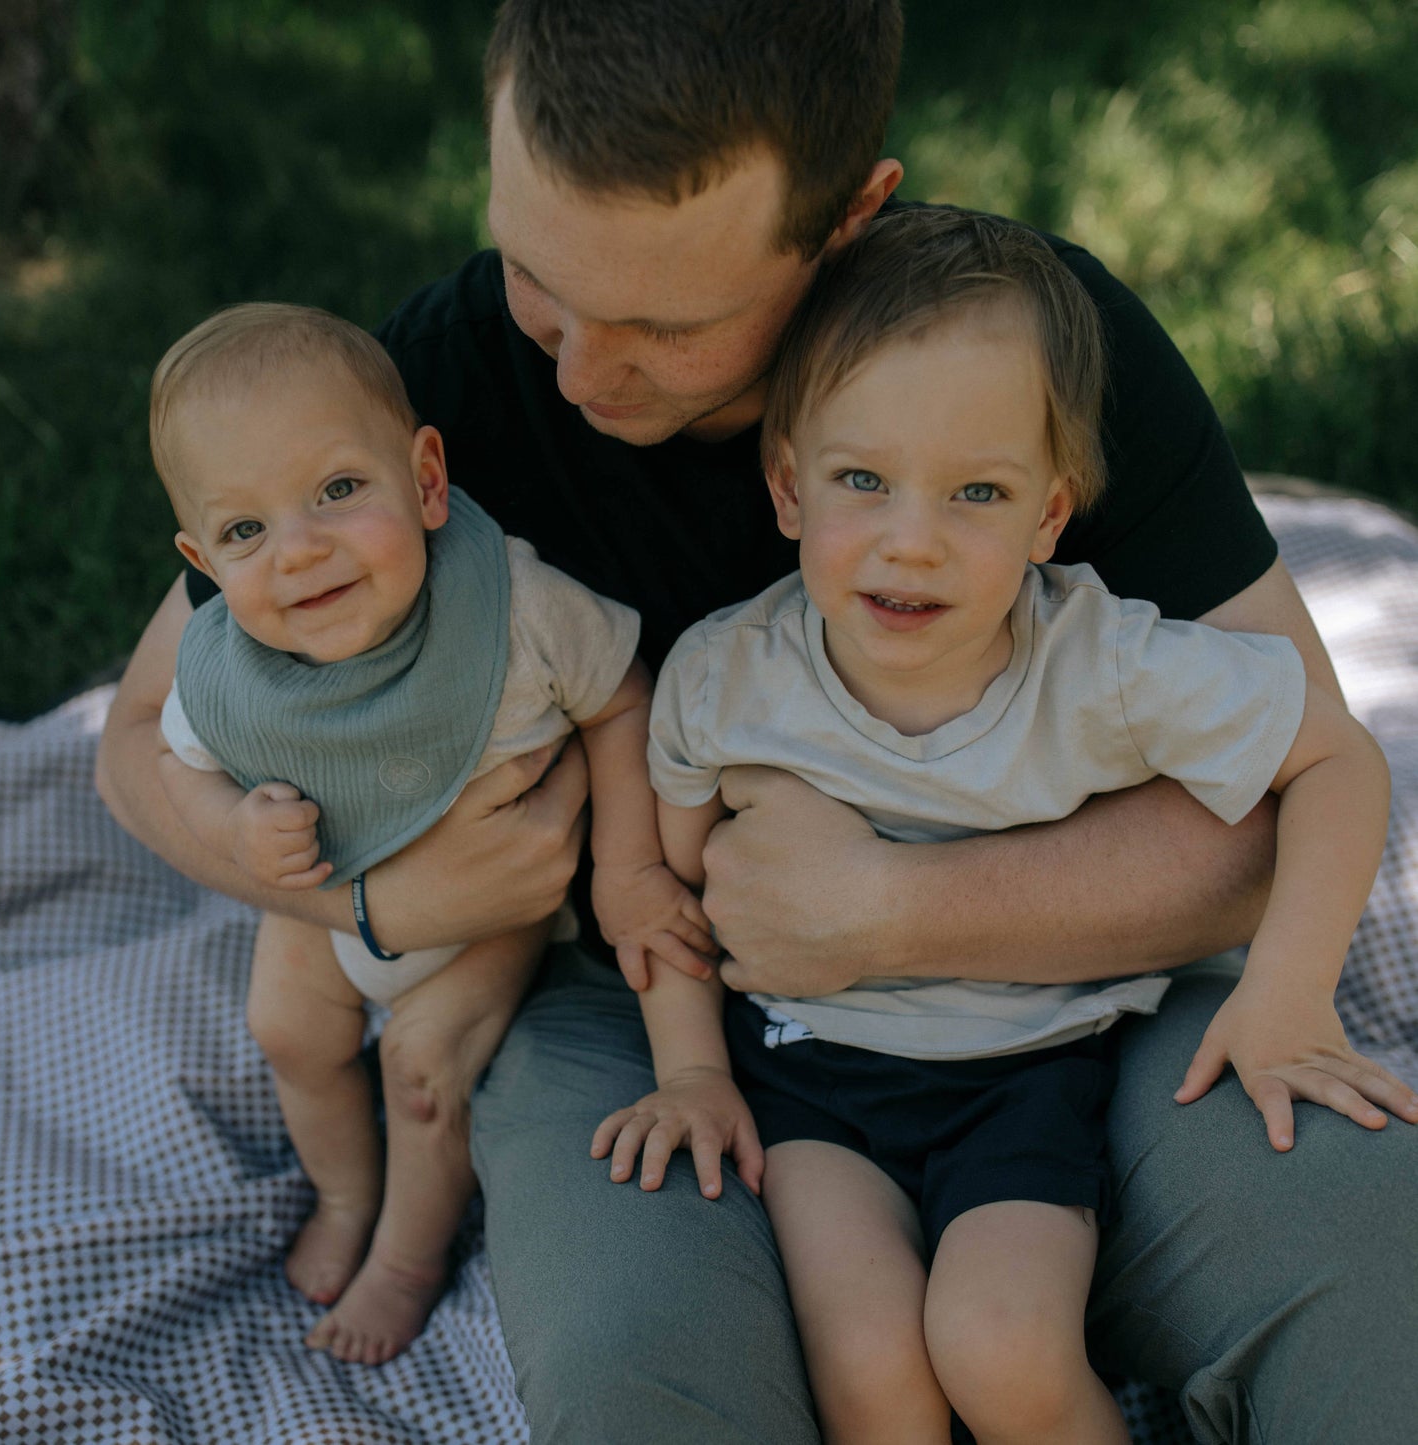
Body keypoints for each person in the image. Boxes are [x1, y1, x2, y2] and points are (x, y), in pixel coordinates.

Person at [95, 1, 1418, 1439]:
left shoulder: (1017, 352)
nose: (580, 374)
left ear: (848, 220)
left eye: (669, 324)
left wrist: (899, 911)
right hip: (632, 1020)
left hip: (1079, 991)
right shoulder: (444, 382)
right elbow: (144, 727)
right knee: (641, 1384)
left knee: (1375, 1280)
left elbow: (1297, 777)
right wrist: (381, 894)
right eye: (538, 276)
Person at [591, 205, 1402, 1444]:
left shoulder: (1102, 665)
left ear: (1047, 517)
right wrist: (693, 1069)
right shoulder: (723, 677)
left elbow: (1336, 756)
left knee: (1000, 1349)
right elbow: (680, 889)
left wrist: (1287, 992)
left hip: (1026, 1065)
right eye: (862, 480)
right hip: (811, 1076)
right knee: (870, 1374)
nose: (910, 539)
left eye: (976, 491)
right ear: (788, 485)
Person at [146, 302, 710, 1365]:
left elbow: (621, 697)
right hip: (329, 886)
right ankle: (346, 1193)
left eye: (338, 490)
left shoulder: (512, 608)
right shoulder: (231, 667)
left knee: (421, 1062)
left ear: (426, 478)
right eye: (245, 530)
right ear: (205, 563)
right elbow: (183, 766)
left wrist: (628, 866)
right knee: (289, 1033)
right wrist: (237, 829)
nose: (299, 550)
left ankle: (407, 1253)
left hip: (497, 905)